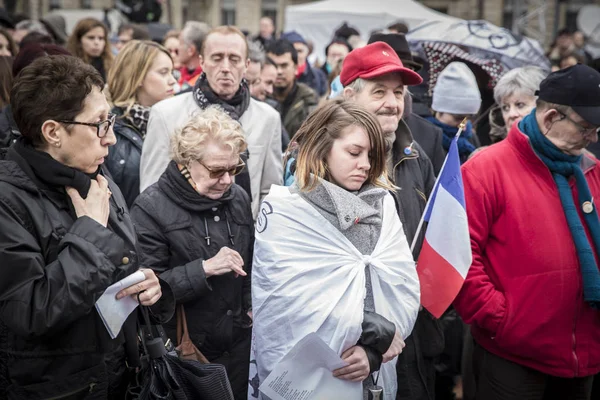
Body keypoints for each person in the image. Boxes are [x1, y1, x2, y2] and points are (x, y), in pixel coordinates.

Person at [0, 54, 173, 399]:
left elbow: (123, 267)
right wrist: (90, 229)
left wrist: (153, 290)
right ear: (53, 132)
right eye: (99, 124)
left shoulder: (97, 175)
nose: (110, 137)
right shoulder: (8, 201)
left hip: (122, 378)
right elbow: (31, 312)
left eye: (110, 121)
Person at [252, 99, 419, 399]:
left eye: (371, 155)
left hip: (370, 379)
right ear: (322, 148)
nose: (365, 164)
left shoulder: (383, 206)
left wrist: (372, 354)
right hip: (306, 381)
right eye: (354, 152)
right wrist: (375, 330)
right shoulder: (285, 212)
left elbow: (404, 287)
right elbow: (290, 305)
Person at [455, 63, 600, 400]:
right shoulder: (485, 168)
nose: (592, 138)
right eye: (586, 128)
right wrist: (502, 319)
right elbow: (460, 256)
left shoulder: (591, 171)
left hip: (584, 356)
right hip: (512, 356)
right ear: (550, 118)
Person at [340, 41, 443, 400]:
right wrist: (370, 338)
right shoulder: (321, 159)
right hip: (351, 344)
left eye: (398, 93)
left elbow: (433, 236)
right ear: (350, 95)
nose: (392, 103)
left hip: (412, 332)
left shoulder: (417, 158)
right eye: (379, 91)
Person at [132, 106, 253, 400]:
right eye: (216, 170)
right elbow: (146, 296)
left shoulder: (237, 198)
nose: (226, 180)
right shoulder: (151, 208)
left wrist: (250, 306)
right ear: (186, 161)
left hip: (238, 347)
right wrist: (205, 269)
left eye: (234, 169)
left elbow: (249, 261)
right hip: (187, 357)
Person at [140, 25, 282, 219]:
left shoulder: (268, 118)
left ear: (247, 65)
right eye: (216, 58)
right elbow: (151, 192)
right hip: (183, 236)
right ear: (202, 62)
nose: (225, 68)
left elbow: (270, 192)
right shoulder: (166, 114)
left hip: (246, 234)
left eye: (234, 59)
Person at [106, 40, 176, 207]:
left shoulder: (179, 121)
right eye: (163, 72)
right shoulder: (108, 129)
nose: (172, 80)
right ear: (137, 76)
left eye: (173, 72)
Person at [368, 32, 446, 176]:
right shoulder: (334, 140)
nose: (391, 103)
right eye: (379, 90)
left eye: (402, 71)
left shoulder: (429, 134)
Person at [426, 62, 481, 164]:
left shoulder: (470, 137)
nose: (464, 126)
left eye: (468, 118)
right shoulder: (424, 138)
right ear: (439, 109)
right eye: (458, 118)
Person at [266, 38, 318, 138]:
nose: (279, 71)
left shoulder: (308, 100)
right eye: (274, 66)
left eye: (284, 65)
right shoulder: (258, 97)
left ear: (295, 68)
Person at [489, 66, 547, 143]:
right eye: (505, 108)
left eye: (520, 105)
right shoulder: (488, 154)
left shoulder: (565, 150)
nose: (511, 114)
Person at [281, 30, 328, 96]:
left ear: (307, 52)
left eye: (300, 51)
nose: (297, 55)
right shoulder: (276, 77)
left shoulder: (318, 76)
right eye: (292, 51)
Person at [177, 21, 210, 91]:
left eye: (180, 43)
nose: (177, 48)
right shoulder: (178, 76)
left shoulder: (204, 83)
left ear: (191, 50)